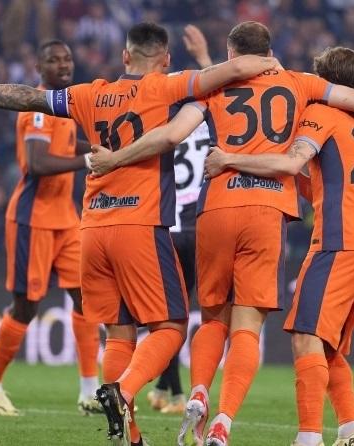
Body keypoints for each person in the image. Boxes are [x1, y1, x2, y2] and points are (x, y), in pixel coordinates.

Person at [0, 22, 279, 446]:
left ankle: (129, 436)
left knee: (119, 333)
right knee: (172, 327)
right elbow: (235, 70)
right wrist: (272, 64)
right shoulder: (169, 86)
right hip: (139, 224)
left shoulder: (90, 94)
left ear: (125, 56)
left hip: (92, 227)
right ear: (166, 60)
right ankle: (123, 390)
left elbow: (26, 96)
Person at [88, 23, 354, 446]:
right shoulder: (299, 83)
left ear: (230, 56)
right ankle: (223, 421)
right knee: (247, 326)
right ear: (269, 52)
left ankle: (198, 391)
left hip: (216, 208)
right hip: (267, 209)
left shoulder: (214, 87)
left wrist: (115, 159)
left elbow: (171, 135)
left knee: (212, 318)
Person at [204, 46, 354, 446]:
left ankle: (308, 438)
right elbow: (318, 183)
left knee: (305, 336)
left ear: (327, 83)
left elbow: (290, 163)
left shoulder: (323, 113)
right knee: (328, 346)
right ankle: (350, 432)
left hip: (338, 243)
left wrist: (230, 159)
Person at [0, 40, 103, 417]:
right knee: (26, 307)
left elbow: (66, 144)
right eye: (53, 60)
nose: (63, 65)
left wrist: (94, 145)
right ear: (39, 69)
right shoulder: (36, 111)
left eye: (67, 58)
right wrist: (89, 160)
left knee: (86, 299)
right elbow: (37, 163)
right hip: (33, 218)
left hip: (66, 218)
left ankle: (89, 391)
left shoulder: (63, 107)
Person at [146, 24, 213, 416]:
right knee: (194, 312)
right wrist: (204, 58)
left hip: (169, 225)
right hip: (201, 225)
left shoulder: (163, 122)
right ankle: (168, 389)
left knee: (171, 313)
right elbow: (223, 88)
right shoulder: (208, 115)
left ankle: (170, 391)